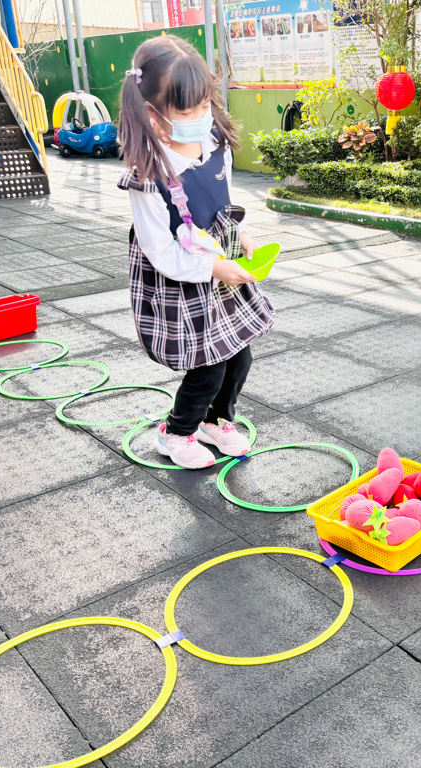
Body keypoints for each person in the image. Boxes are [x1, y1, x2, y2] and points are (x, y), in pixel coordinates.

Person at [117, 36, 274, 469]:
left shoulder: (214, 144)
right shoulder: (148, 176)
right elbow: (159, 250)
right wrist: (215, 267)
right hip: (183, 277)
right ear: (152, 113)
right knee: (209, 364)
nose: (200, 118)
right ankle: (176, 432)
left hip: (219, 267)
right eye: (186, 112)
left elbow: (223, 202)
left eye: (205, 105)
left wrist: (242, 235)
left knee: (239, 353)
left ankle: (215, 421)